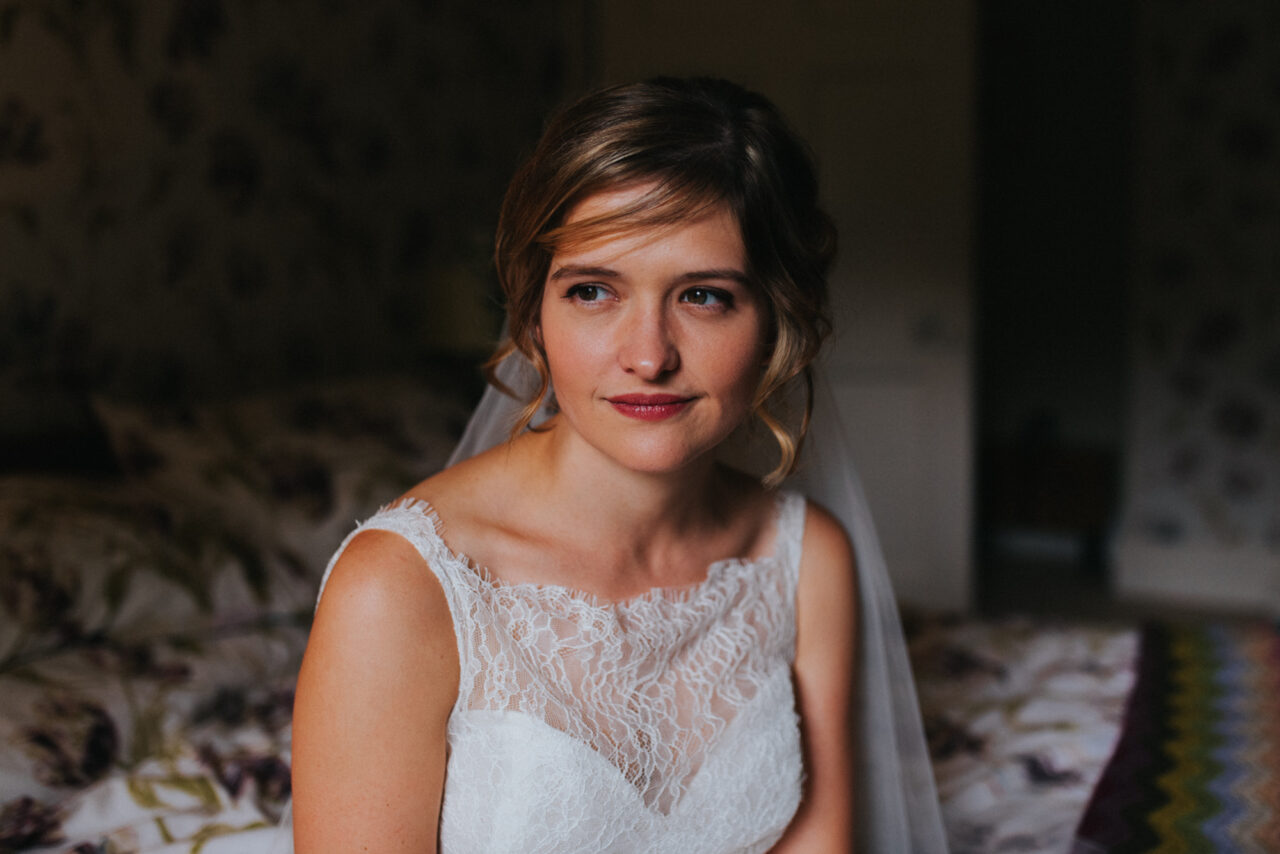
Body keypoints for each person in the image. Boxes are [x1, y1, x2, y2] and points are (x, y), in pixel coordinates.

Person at [288, 76, 947, 853]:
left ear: (776, 321)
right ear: (534, 312)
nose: (647, 355)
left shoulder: (806, 559)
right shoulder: (401, 587)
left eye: (703, 296)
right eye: (594, 291)